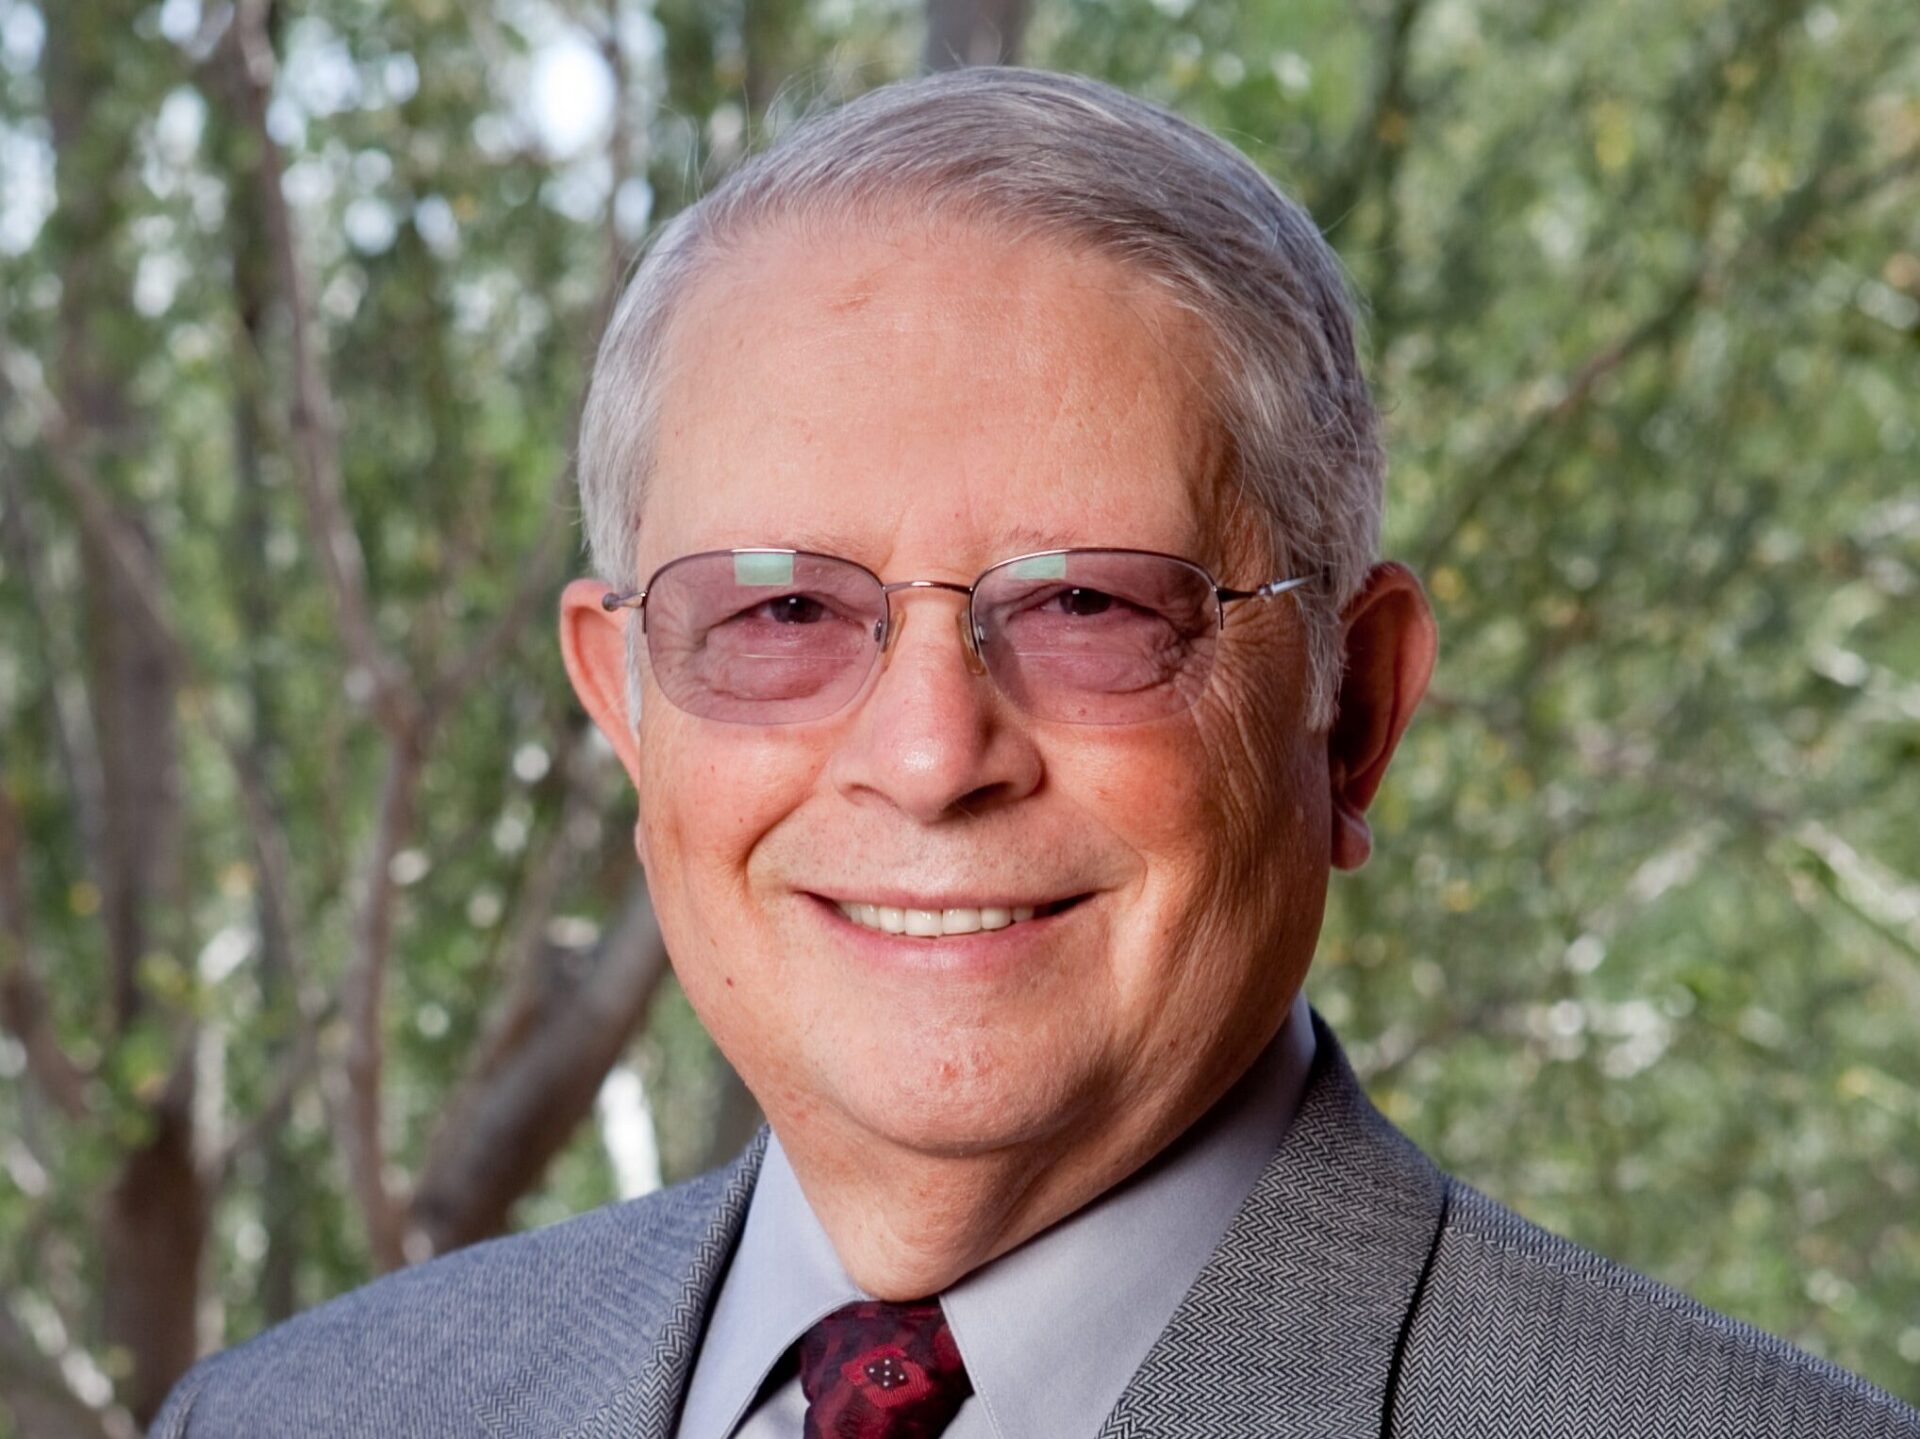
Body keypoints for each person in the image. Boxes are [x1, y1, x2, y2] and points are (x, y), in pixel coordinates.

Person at [151, 67, 1919, 1439]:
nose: (929, 756)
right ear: (626, 708)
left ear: (1353, 713)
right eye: (780, 616)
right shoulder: (290, 1416)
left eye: (1088, 606)